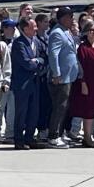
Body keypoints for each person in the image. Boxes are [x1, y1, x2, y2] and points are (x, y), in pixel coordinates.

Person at [69, 22, 94, 147]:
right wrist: (83, 82)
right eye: (91, 30)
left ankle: (90, 134)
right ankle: (87, 136)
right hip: (86, 83)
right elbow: (80, 66)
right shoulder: (82, 48)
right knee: (87, 110)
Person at [11, 17, 46, 150]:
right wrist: (36, 62)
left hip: (35, 82)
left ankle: (29, 138)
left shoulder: (36, 41)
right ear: (25, 28)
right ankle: (19, 140)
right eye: (33, 27)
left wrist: (37, 61)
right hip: (22, 84)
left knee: (33, 111)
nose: (36, 29)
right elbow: (27, 63)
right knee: (21, 112)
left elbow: (43, 58)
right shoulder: (19, 43)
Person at [47, 7, 79, 148]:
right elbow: (53, 55)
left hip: (69, 76)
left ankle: (59, 133)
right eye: (70, 17)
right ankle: (53, 136)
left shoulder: (67, 32)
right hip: (61, 77)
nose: (72, 19)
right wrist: (56, 73)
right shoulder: (57, 33)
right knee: (59, 107)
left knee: (64, 106)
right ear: (62, 18)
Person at [0, 18, 17, 143]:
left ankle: (10, 132)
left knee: (12, 109)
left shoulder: (16, 42)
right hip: (0, 80)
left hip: (14, 80)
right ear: (4, 29)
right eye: (10, 27)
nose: (13, 29)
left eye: (14, 27)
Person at [34, 13, 53, 142]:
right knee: (40, 104)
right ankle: (40, 129)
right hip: (39, 75)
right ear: (39, 23)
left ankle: (45, 127)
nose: (47, 24)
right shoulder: (35, 39)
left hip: (48, 74)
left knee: (48, 103)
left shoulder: (48, 37)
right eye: (45, 22)